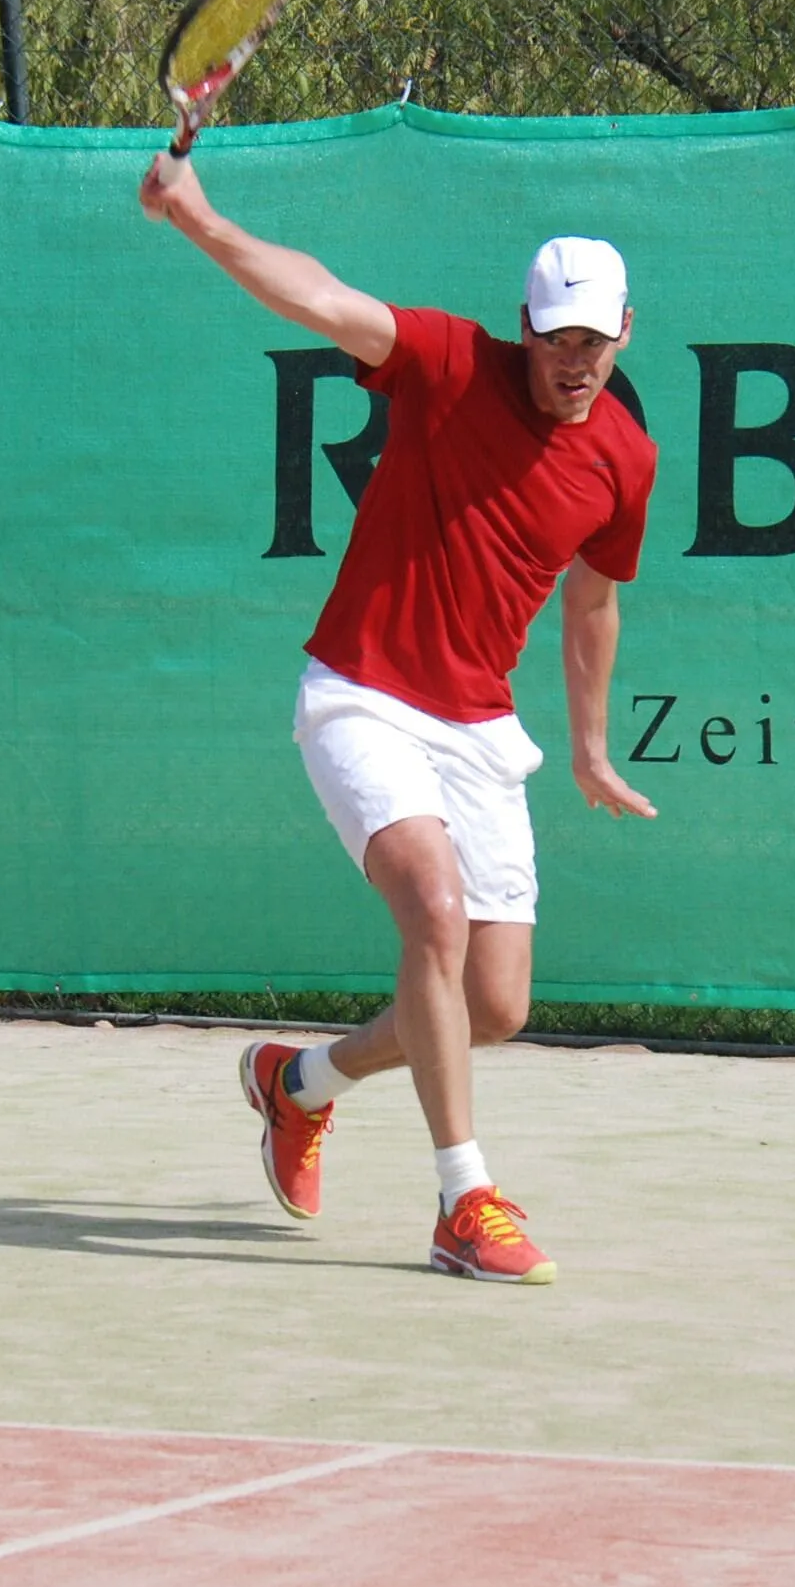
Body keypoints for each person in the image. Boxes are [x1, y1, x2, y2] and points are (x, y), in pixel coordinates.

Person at [138, 147, 659, 1285]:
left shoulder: (625, 459)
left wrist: (586, 744)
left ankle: (301, 1082)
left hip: (478, 726)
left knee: (494, 1004)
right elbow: (319, 295)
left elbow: (595, 601)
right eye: (556, 338)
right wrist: (201, 221)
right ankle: (462, 1202)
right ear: (525, 327)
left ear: (626, 332)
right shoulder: (444, 363)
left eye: (594, 341)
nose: (574, 362)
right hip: (361, 694)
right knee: (434, 910)